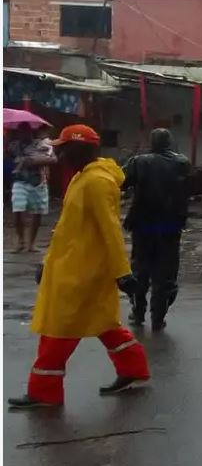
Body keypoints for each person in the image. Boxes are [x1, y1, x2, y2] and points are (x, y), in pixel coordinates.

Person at [8, 124, 149, 409]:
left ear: (79, 149)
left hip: (82, 274)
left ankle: (44, 392)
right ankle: (133, 370)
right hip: (71, 268)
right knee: (104, 324)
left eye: (63, 148)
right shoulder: (81, 178)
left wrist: (122, 272)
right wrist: (47, 262)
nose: (58, 154)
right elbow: (65, 230)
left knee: (58, 329)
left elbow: (110, 230)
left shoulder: (97, 182)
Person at [122, 128, 191, 330]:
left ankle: (138, 312)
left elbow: (121, 181)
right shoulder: (182, 163)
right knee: (166, 271)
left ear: (152, 142)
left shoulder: (139, 162)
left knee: (140, 269)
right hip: (170, 225)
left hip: (143, 223)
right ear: (169, 142)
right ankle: (158, 316)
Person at [9, 123, 57, 253]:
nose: (24, 133)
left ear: (31, 132)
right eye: (21, 131)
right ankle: (20, 241)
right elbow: (11, 159)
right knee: (18, 210)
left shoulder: (40, 144)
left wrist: (33, 160)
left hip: (38, 181)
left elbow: (52, 159)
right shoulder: (13, 146)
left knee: (37, 212)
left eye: (27, 131)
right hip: (20, 181)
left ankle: (32, 243)